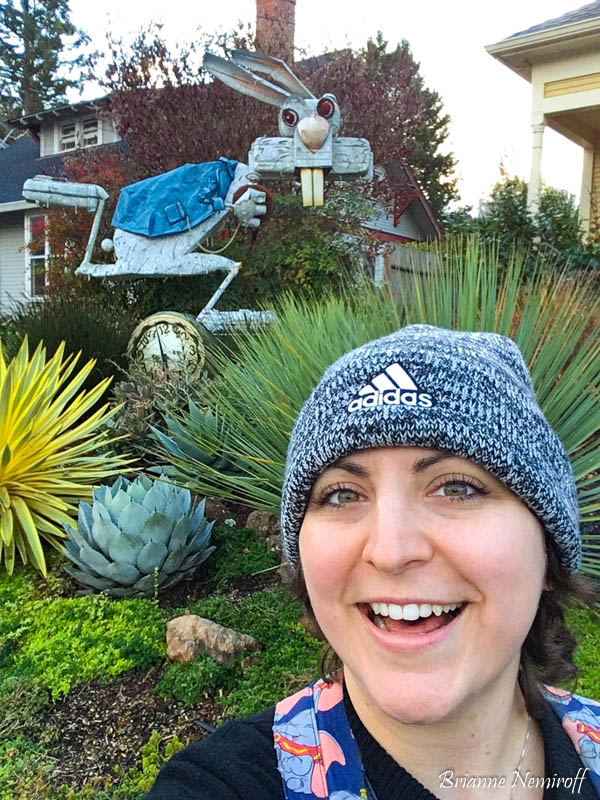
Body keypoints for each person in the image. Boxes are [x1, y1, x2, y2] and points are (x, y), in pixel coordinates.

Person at [144, 324, 600, 800]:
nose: (390, 551)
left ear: (547, 552)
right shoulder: (226, 783)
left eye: (457, 488)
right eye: (342, 494)